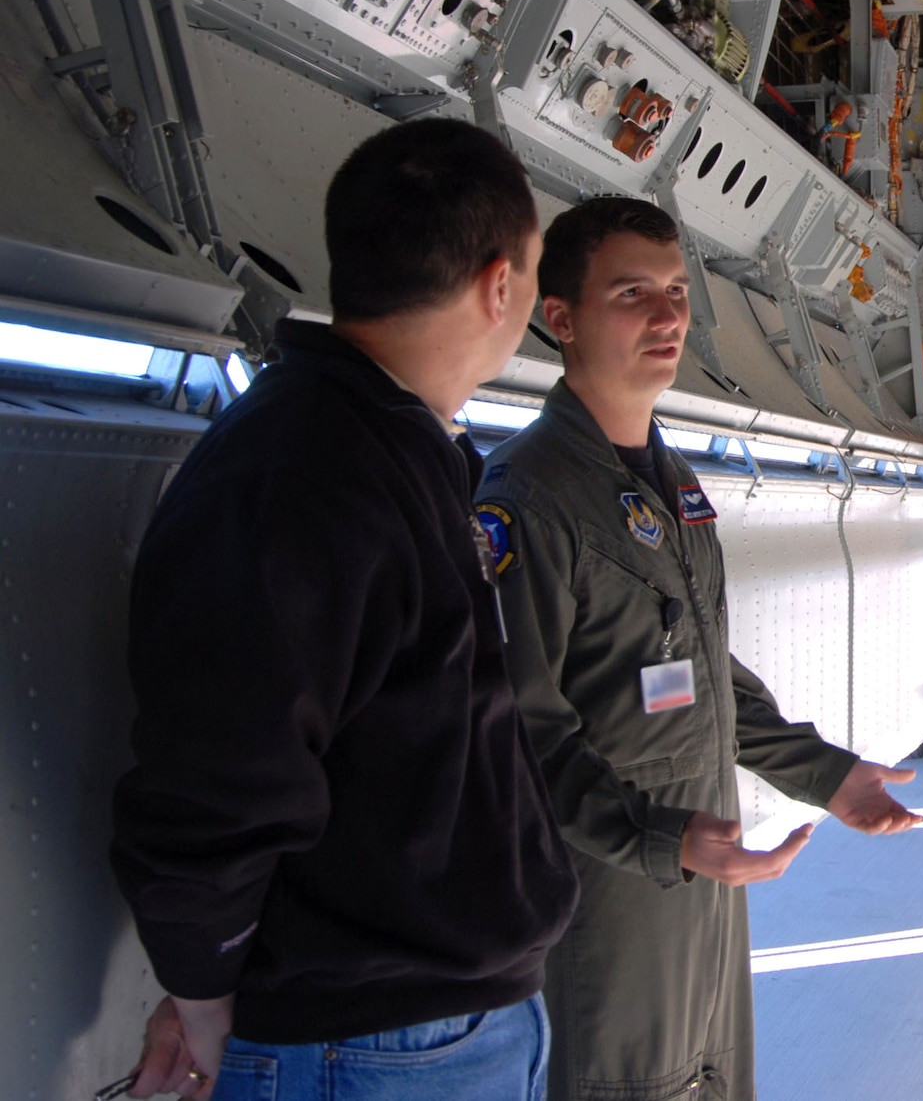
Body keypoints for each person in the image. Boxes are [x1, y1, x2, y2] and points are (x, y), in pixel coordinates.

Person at [109, 119, 580, 1101]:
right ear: (502, 285)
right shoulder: (309, 472)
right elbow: (220, 777)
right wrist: (205, 994)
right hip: (375, 1049)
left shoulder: (388, 448)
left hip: (430, 1027)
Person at [476, 194, 923, 1101]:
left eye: (677, 290)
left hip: (698, 879)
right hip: (607, 900)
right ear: (559, 319)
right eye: (633, 292)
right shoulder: (529, 495)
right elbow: (520, 738)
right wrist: (665, 840)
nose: (670, 314)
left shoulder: (666, 481)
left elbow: (702, 673)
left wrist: (825, 776)